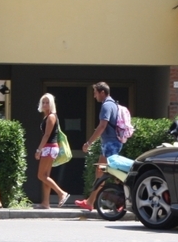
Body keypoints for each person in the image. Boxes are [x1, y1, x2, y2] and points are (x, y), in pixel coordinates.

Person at [76, 82, 122, 211]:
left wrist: (89, 142)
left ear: (102, 92)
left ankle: (116, 203)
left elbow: (102, 126)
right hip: (111, 143)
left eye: (95, 93)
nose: (94, 96)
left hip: (110, 144)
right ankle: (94, 201)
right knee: (107, 173)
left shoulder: (107, 105)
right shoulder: (113, 104)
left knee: (102, 174)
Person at [34, 93, 70, 209]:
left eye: (47, 102)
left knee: (41, 175)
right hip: (50, 148)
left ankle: (61, 193)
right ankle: (46, 203)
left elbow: (47, 135)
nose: (44, 104)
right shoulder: (48, 116)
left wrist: (39, 149)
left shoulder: (51, 117)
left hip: (49, 147)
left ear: (51, 104)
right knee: (46, 176)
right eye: (43, 102)